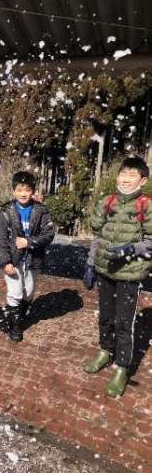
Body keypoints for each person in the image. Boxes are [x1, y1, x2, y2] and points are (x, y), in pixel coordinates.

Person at [83, 157, 152, 397]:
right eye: (123, 174)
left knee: (124, 323)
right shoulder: (107, 201)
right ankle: (105, 351)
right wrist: (90, 263)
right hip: (105, 270)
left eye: (132, 175)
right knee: (105, 317)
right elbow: (97, 236)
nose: (126, 179)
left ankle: (122, 367)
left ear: (143, 181)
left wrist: (131, 249)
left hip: (129, 275)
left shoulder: (146, 206)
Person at [0, 171, 54, 342]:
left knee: (28, 292)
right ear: (13, 191)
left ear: (32, 191)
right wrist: (5, 261)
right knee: (15, 293)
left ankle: (18, 316)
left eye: (27, 190)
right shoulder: (6, 211)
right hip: (13, 260)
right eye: (19, 190)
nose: (23, 193)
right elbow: (1, 238)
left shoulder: (41, 210)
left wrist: (29, 242)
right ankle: (14, 326)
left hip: (33, 259)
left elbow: (49, 234)